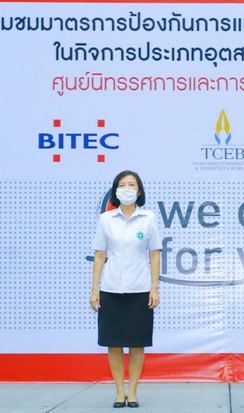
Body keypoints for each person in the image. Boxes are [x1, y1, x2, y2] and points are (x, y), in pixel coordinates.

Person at [89, 170, 161, 409]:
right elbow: (100, 255)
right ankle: (120, 391)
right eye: (122, 184)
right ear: (115, 190)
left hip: (140, 289)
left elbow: (154, 254)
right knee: (114, 343)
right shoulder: (106, 219)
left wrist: (154, 288)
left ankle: (133, 391)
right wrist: (95, 290)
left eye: (131, 185)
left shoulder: (148, 218)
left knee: (137, 343)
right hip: (111, 288)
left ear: (139, 192)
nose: (126, 188)